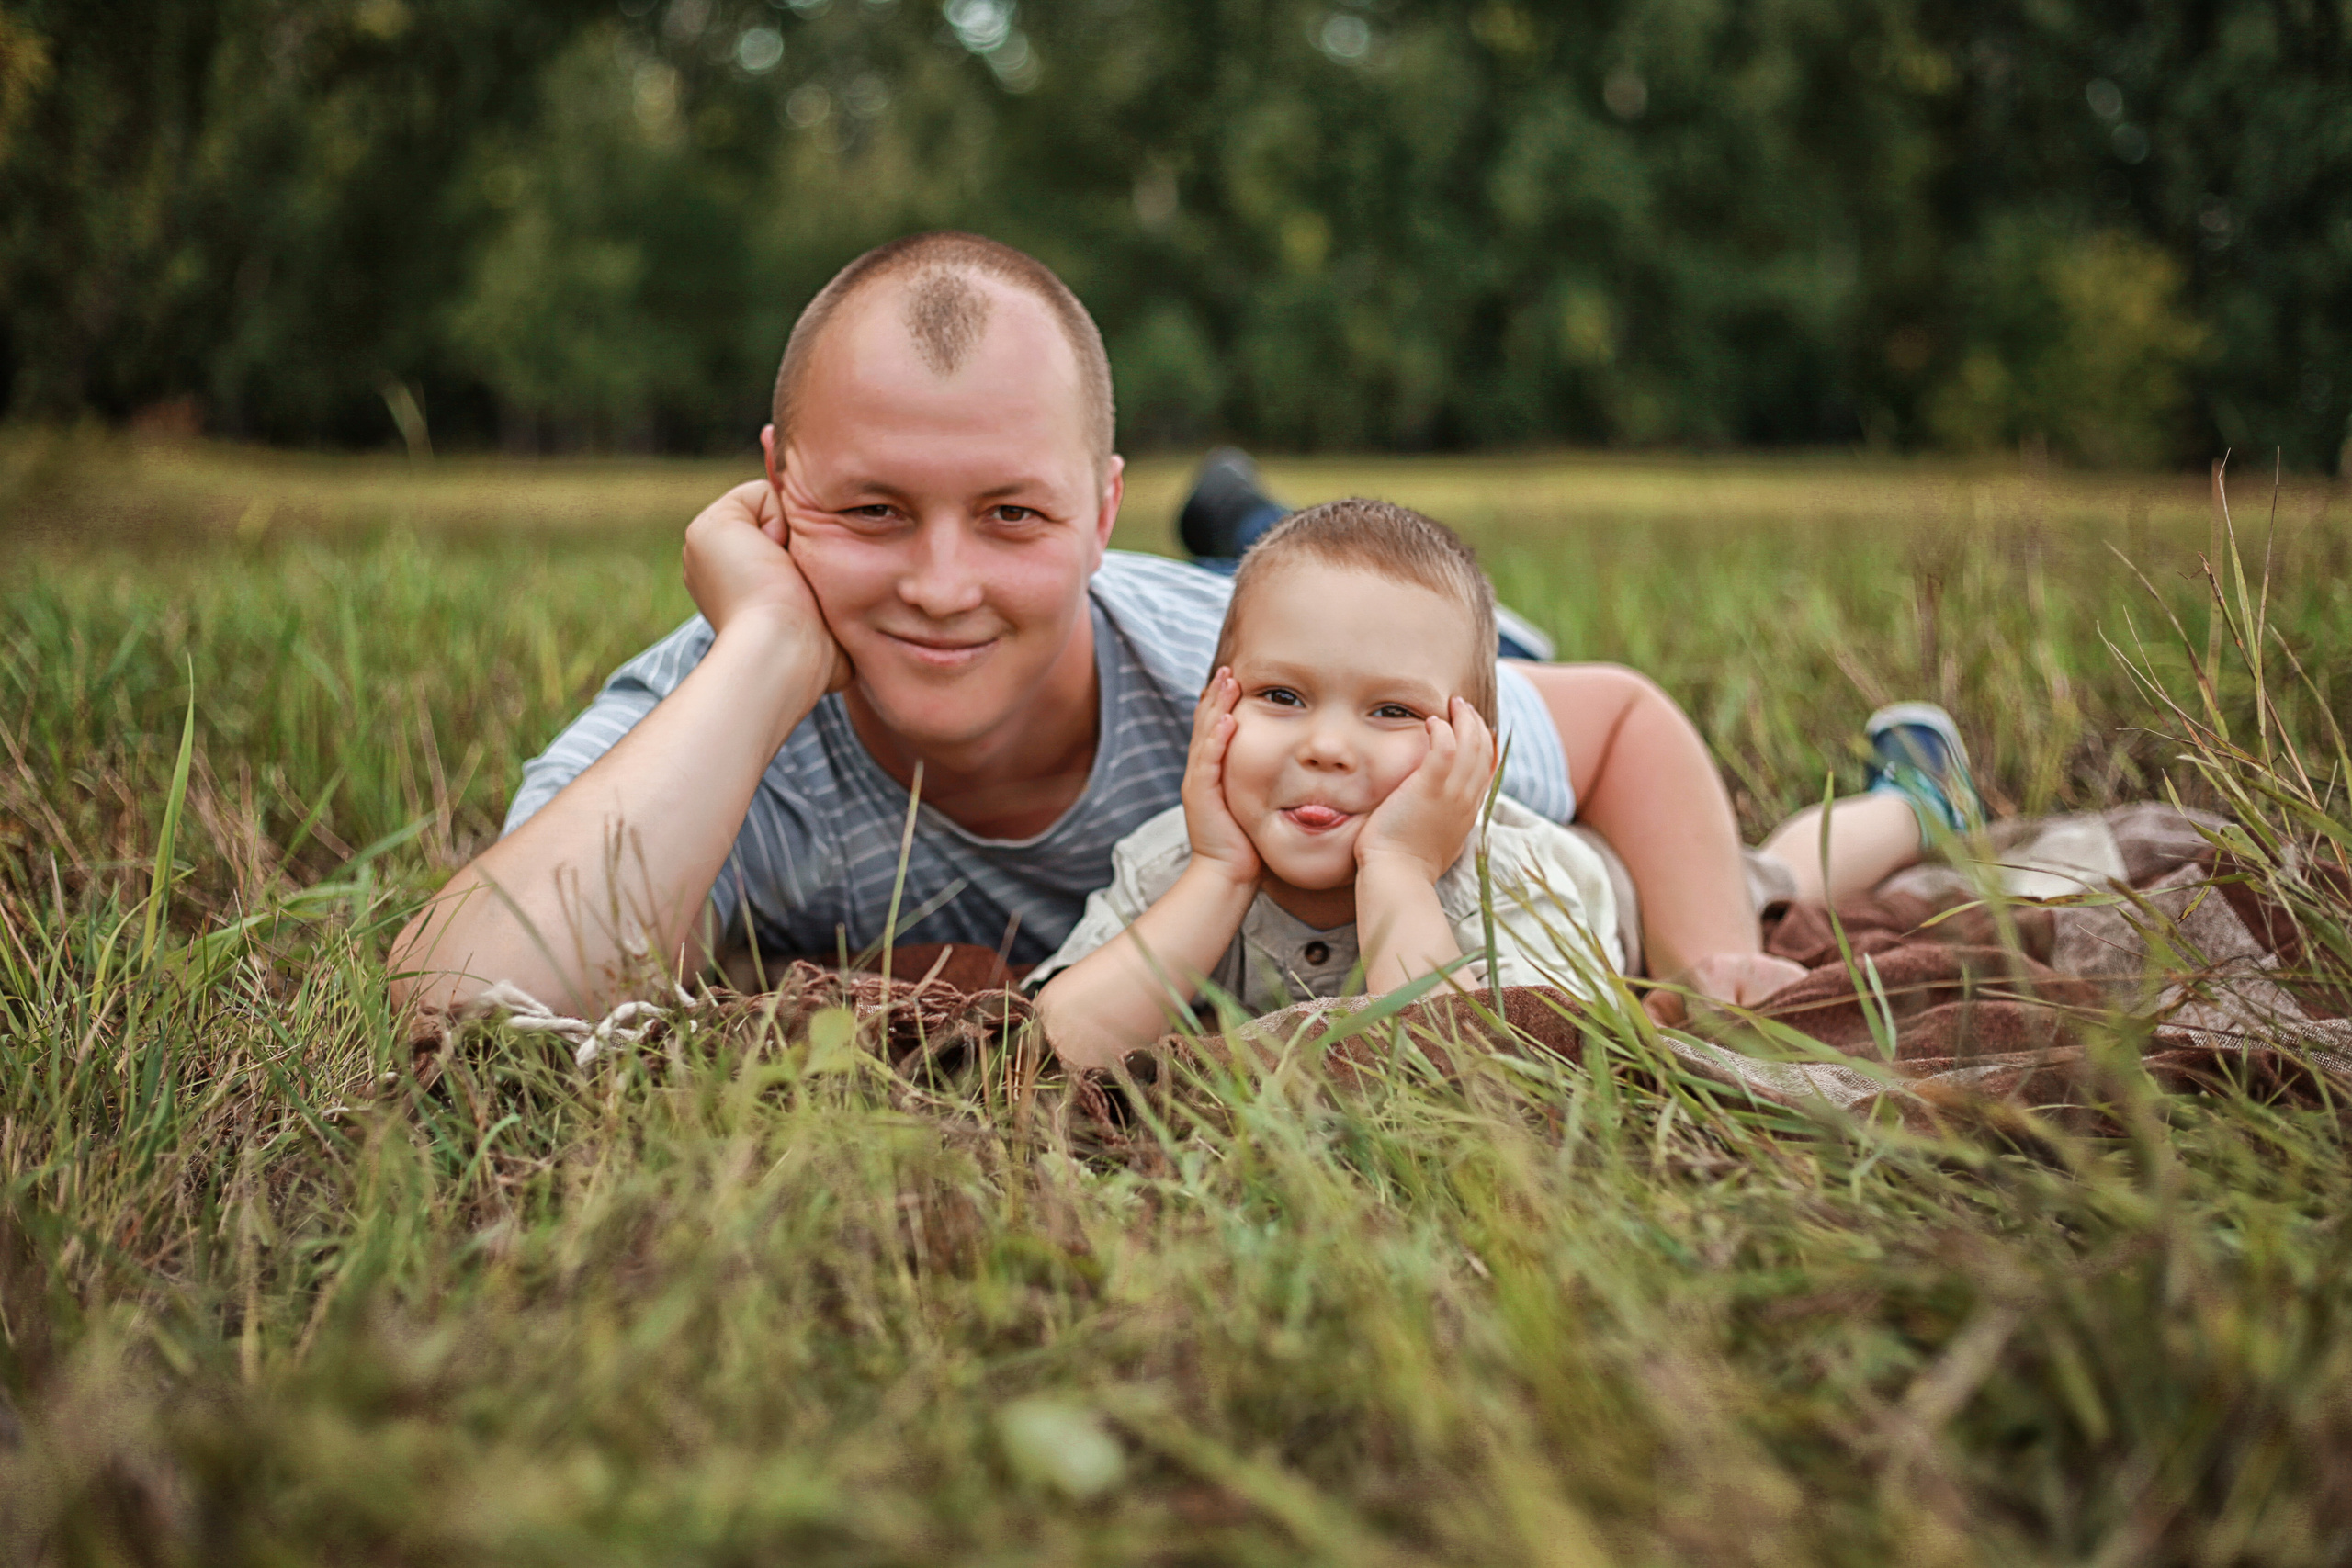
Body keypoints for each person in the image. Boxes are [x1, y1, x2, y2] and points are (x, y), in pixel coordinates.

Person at [383, 231, 1811, 1020]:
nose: (942, 584)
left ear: (1101, 500)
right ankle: (1242, 517)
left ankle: (1248, 522)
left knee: (1363, 606)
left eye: (1013, 513)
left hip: (1351, 632)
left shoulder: (1269, 702)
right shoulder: (713, 712)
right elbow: (457, 993)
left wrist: (1703, 962)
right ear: (772, 490)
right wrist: (761, 652)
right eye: (871, 511)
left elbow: (1617, 718)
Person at [1030, 499, 1624, 1070]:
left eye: (1393, 710)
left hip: (1604, 885)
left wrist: (1399, 869)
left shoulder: (1519, 888)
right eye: (1283, 696)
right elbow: (1046, 1054)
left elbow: (1493, 1098)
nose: (1327, 748)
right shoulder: (1169, 865)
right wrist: (1219, 875)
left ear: (1473, 755)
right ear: (1212, 710)